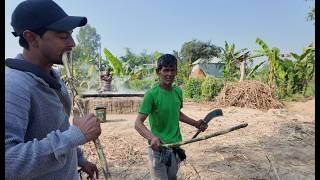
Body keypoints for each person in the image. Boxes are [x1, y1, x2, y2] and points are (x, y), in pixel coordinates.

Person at [5, 0, 101, 179]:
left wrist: (79, 159)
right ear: (31, 38)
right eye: (63, 36)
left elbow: (58, 129)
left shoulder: (54, 79)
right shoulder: (13, 86)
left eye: (71, 34)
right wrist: (75, 136)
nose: (73, 43)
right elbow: (8, 162)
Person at [134, 54, 208, 180]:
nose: (169, 74)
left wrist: (195, 123)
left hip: (175, 148)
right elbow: (138, 123)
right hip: (159, 150)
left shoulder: (178, 92)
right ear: (158, 72)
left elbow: (177, 113)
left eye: (172, 70)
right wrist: (152, 137)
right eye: (165, 70)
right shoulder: (151, 95)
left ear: (176, 71)